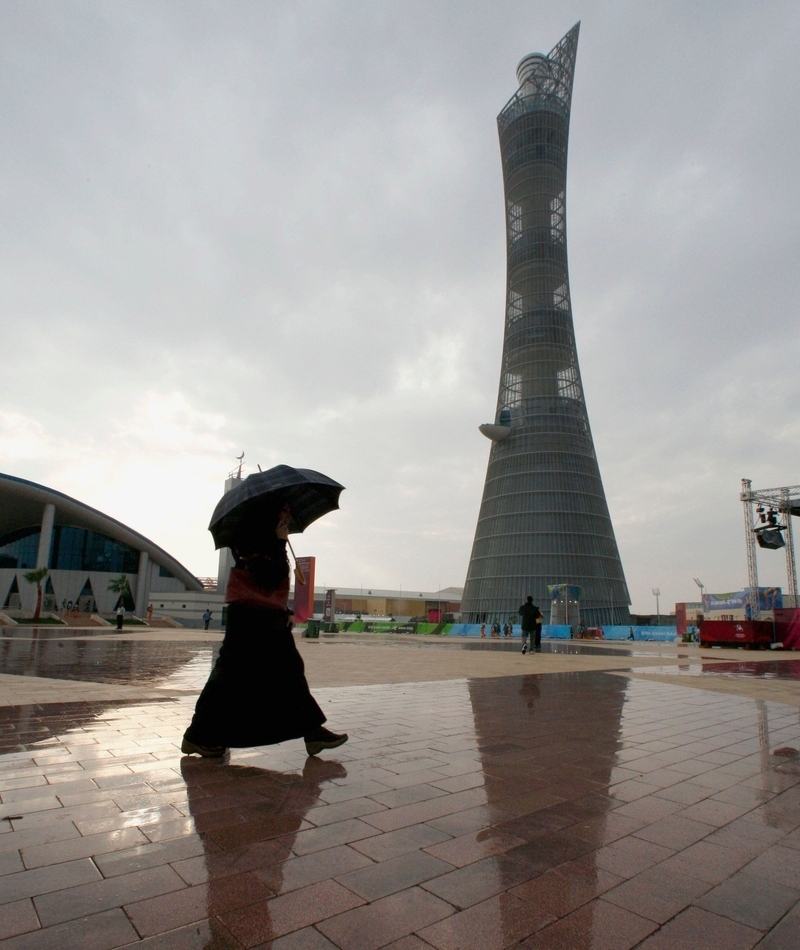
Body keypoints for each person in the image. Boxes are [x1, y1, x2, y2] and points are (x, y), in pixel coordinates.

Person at [182, 497, 348, 758]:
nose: (287, 518)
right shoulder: (253, 540)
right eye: (283, 512)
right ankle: (197, 735)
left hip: (265, 614)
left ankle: (312, 732)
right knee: (231, 673)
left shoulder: (268, 540)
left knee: (287, 669)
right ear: (267, 516)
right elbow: (266, 576)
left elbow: (273, 579)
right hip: (250, 614)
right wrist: (279, 541)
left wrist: (280, 542)